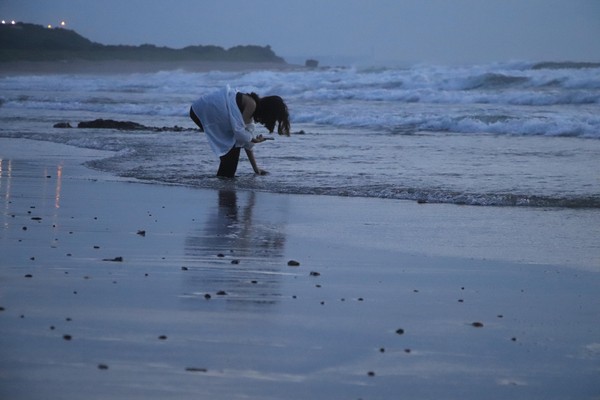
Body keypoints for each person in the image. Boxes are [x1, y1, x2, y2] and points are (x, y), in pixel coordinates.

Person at [189, 85, 290, 178]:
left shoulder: (251, 111)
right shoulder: (251, 104)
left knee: (232, 152)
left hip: (201, 110)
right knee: (232, 152)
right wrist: (254, 139)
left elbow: (246, 142)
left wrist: (256, 169)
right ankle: (224, 186)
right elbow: (240, 134)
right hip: (202, 110)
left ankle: (224, 183)